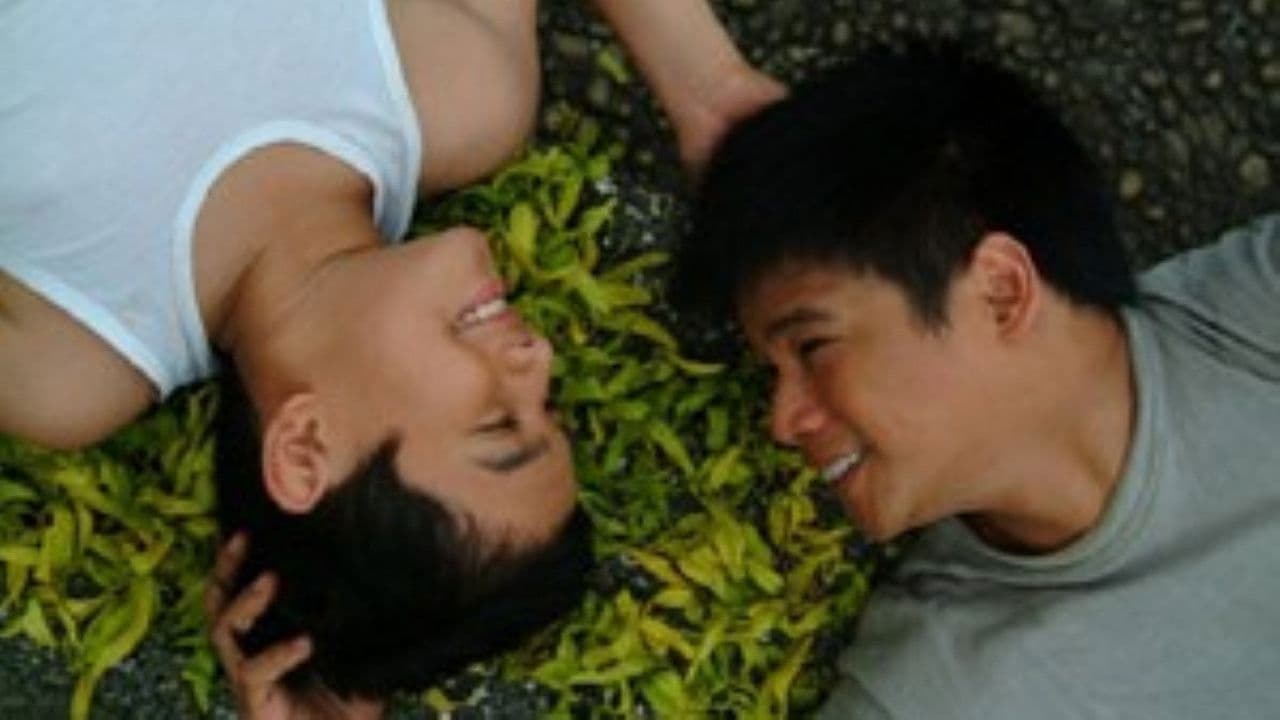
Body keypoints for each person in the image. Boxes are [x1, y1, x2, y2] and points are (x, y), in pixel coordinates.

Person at [0, 0, 784, 715]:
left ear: (305, 448)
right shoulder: (460, 93)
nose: (538, 356)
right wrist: (708, 89)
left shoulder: (71, 360)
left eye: (497, 423)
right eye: (549, 403)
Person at [676, 43, 1280, 719]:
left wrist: (714, 84)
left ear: (1000, 291)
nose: (783, 422)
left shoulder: (1252, 326)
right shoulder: (942, 694)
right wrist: (704, 81)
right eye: (774, 374)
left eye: (813, 348)